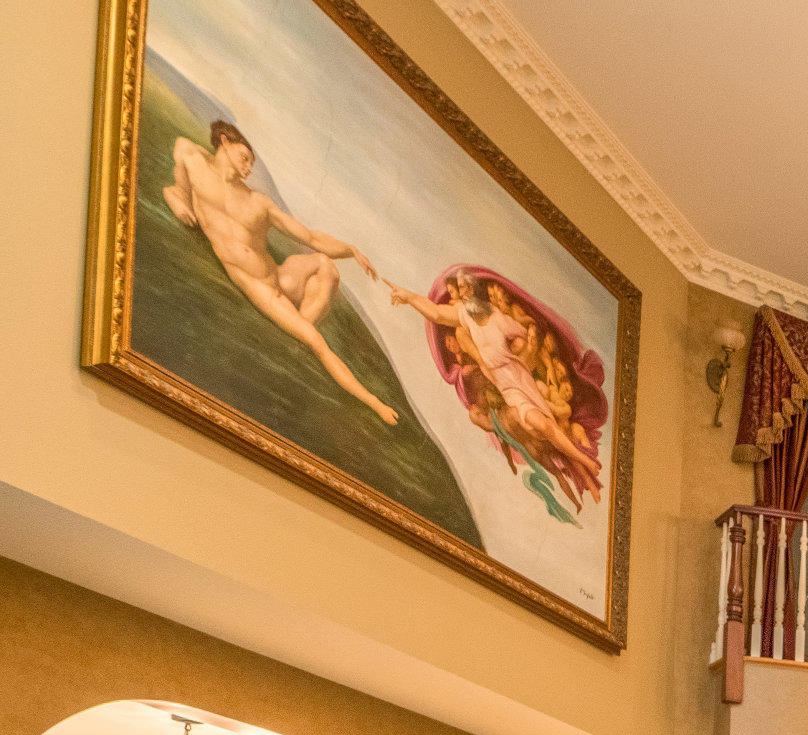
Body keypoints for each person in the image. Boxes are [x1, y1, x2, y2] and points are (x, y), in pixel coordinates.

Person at [159, 121, 397, 425]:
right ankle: (370, 399)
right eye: (245, 158)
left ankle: (303, 324)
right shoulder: (192, 158)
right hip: (263, 289)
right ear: (223, 143)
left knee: (326, 265)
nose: (248, 169)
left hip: (279, 277)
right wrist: (178, 203)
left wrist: (351, 250)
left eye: (251, 164)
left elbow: (310, 238)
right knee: (315, 342)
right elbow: (175, 190)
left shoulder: (259, 203)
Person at [388, 273, 603, 510]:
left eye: (468, 287)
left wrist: (524, 355)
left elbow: (527, 339)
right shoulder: (464, 317)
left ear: (477, 291)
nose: (464, 292)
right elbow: (436, 313)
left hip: (520, 378)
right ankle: (584, 463)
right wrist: (408, 296)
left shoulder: (500, 319)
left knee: (548, 427)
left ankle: (586, 470)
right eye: (461, 288)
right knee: (540, 425)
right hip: (507, 386)